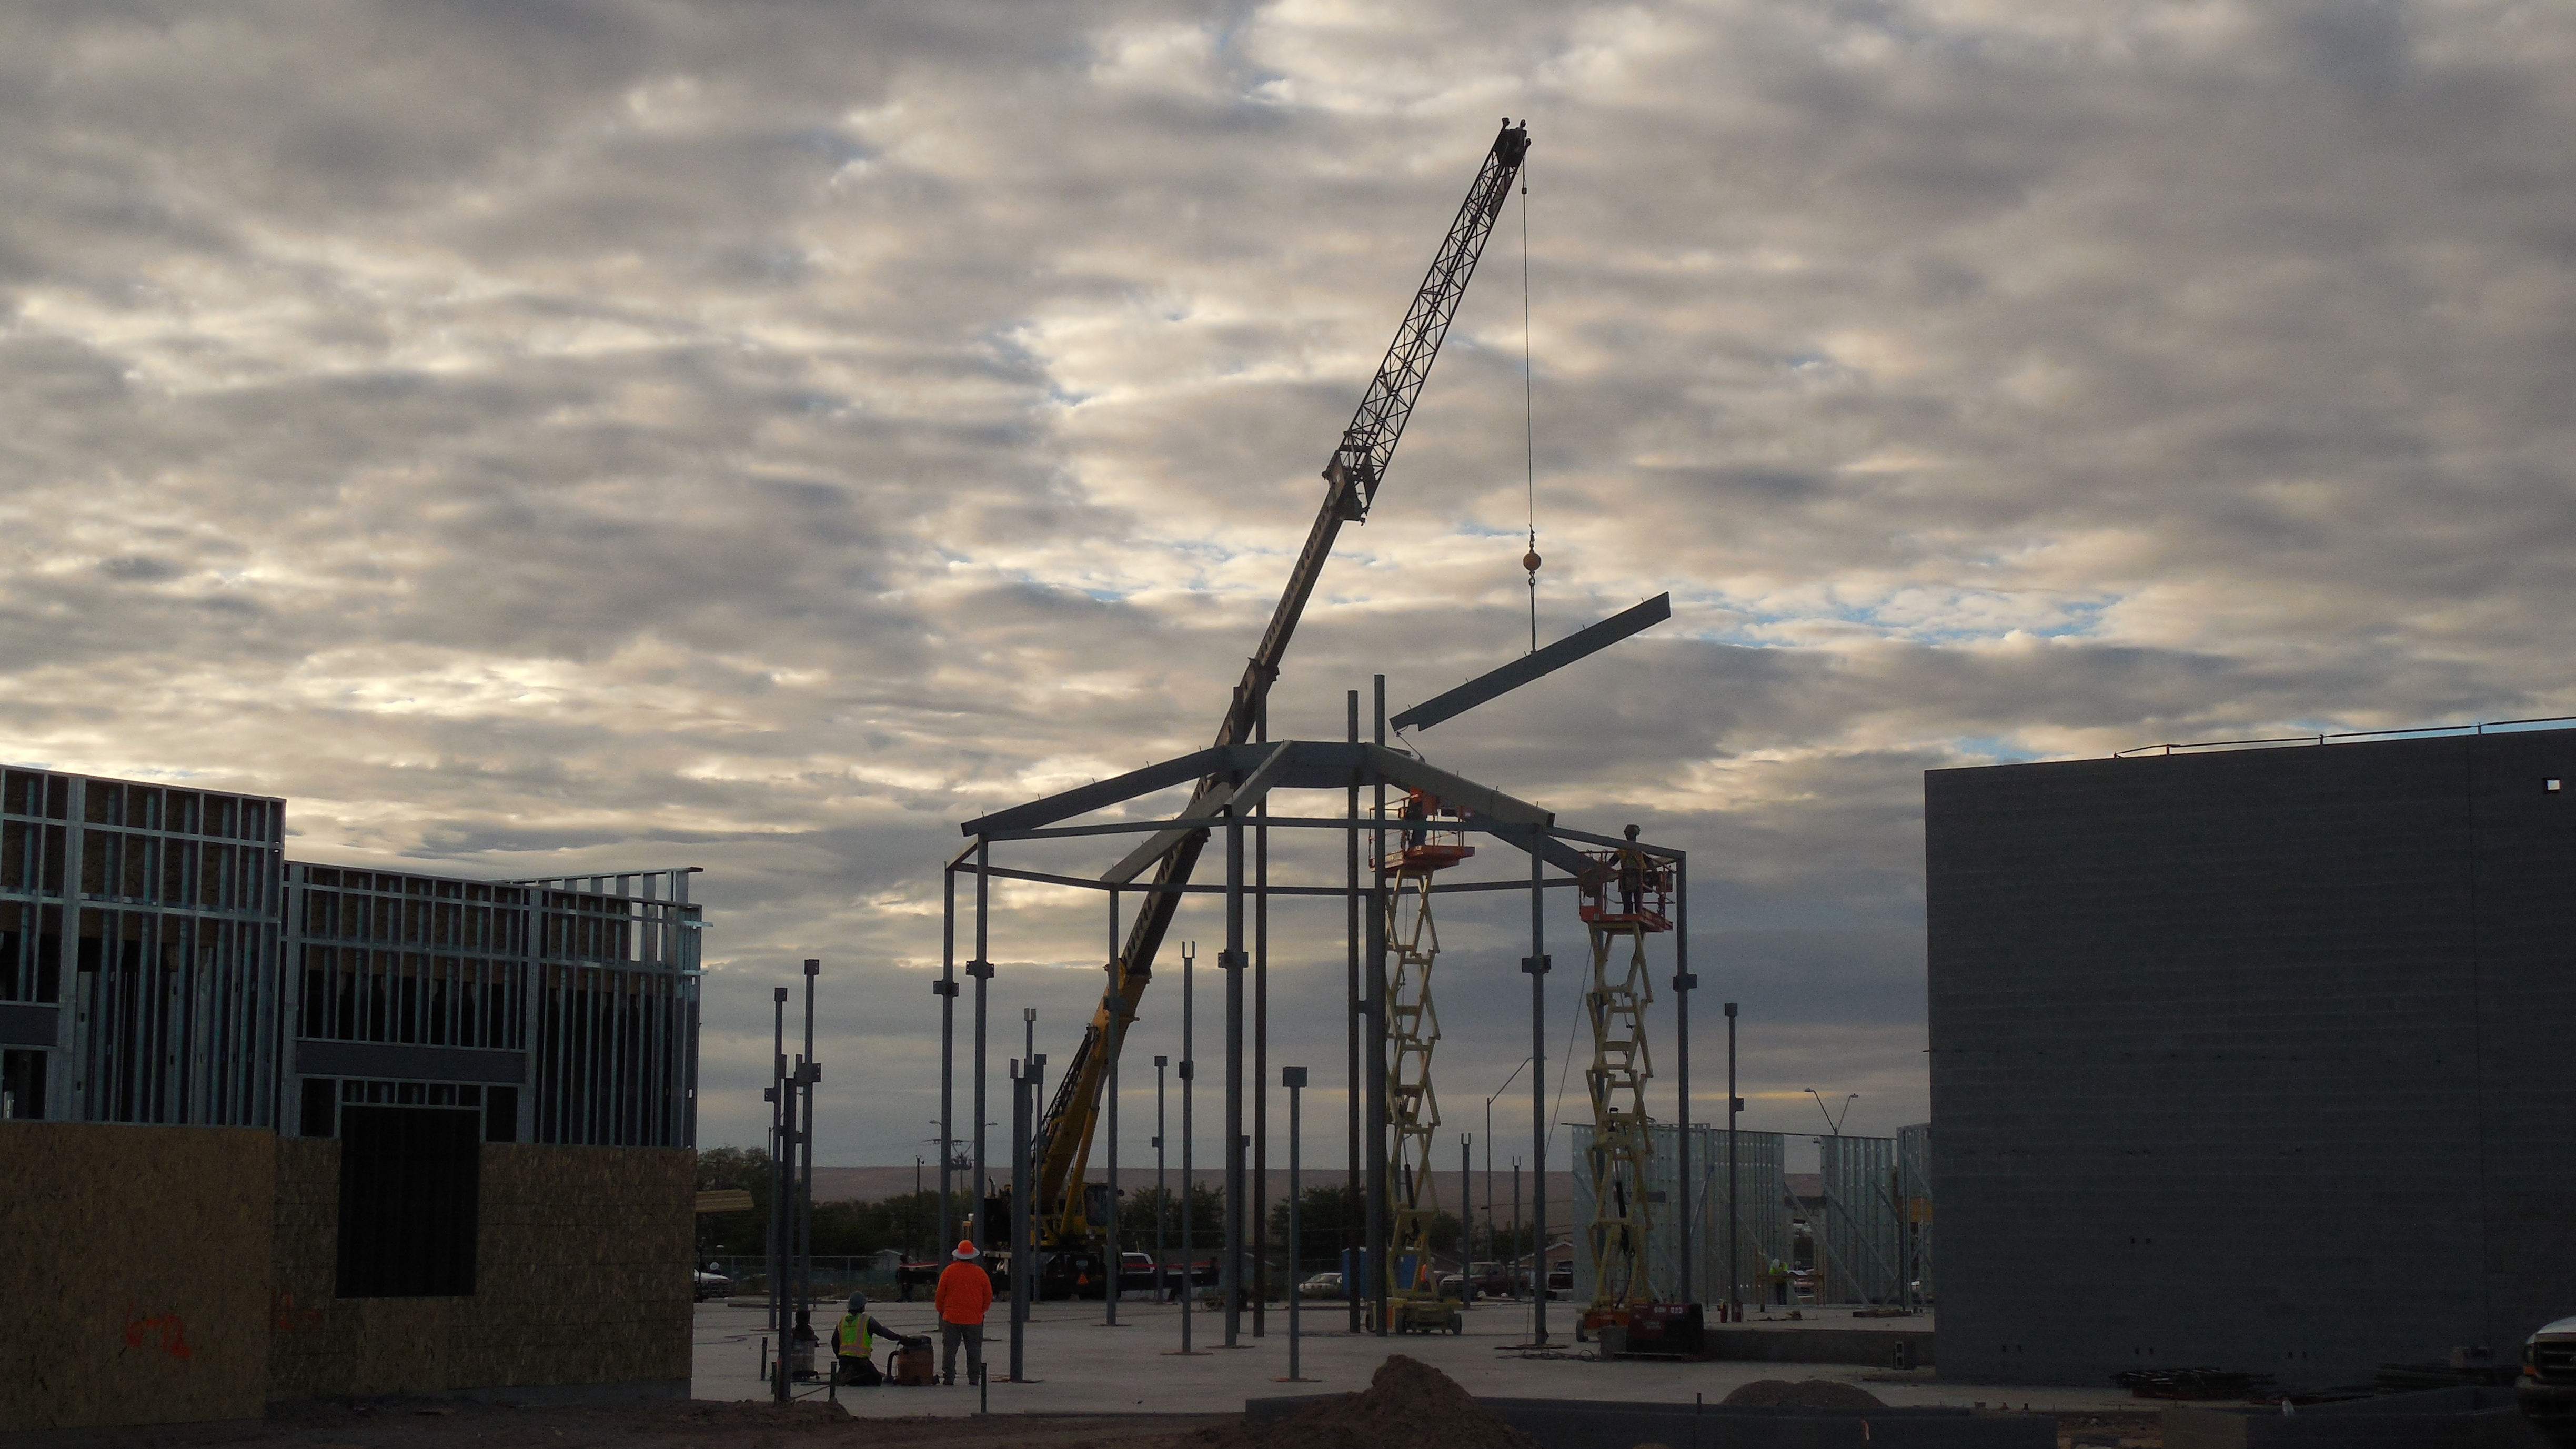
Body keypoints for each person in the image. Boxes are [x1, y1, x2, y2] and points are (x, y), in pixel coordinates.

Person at [933, 1238, 993, 1387]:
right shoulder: (980, 1273)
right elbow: (988, 1295)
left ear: (957, 1255)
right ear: (972, 1256)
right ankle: (974, 1378)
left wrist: (943, 1312)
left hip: (951, 1318)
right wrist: (981, 1311)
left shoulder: (948, 1272)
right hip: (974, 1319)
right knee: (974, 1350)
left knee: (949, 1349)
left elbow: (940, 1295)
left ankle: (949, 1378)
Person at [831, 1293, 908, 1386]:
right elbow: (883, 1332)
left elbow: (834, 1342)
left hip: (844, 1361)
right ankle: (853, 1378)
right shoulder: (866, 1320)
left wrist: (840, 1356)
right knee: (876, 1379)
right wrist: (900, 1338)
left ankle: (847, 1375)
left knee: (857, 1375)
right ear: (862, 1306)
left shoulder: (842, 1321)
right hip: (860, 1361)